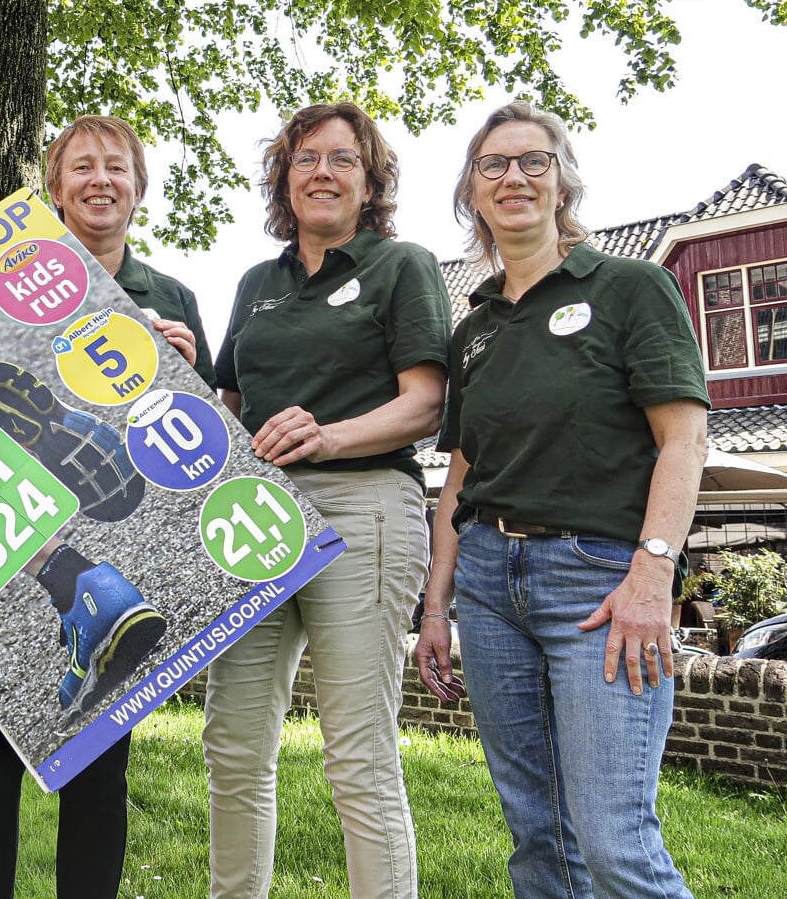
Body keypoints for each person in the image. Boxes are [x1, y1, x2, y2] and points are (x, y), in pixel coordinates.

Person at [413, 100, 709, 899]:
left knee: (615, 842)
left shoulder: (630, 288)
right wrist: (436, 608)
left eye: (532, 161)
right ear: (472, 192)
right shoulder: (471, 328)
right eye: (493, 165)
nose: (513, 177)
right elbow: (463, 478)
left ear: (562, 183)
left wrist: (653, 575)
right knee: (538, 837)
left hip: (599, 586)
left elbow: (683, 443)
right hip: (488, 585)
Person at [0, 115, 213, 899]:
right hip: (3, 521)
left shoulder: (172, 295)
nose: (101, 180)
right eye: (82, 168)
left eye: (118, 168)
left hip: (116, 521)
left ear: (139, 189)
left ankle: (44, 432)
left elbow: (212, 440)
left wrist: (185, 370)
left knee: (101, 754)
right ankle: (36, 416)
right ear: (55, 190)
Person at [205, 102, 449, 899]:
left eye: (343, 160)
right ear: (284, 176)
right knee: (233, 744)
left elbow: (426, 403)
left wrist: (329, 437)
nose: (321, 172)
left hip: (364, 508)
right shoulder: (256, 285)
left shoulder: (399, 267)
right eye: (305, 158)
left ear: (370, 180)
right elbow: (228, 412)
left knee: (357, 750)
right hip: (255, 523)